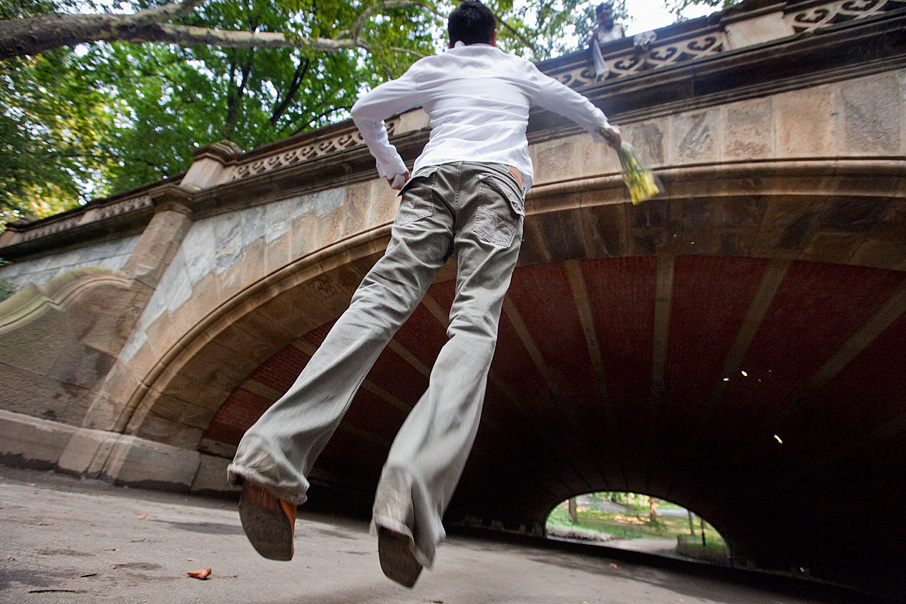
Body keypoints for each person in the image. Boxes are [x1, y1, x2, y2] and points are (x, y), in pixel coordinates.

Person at [227, 0, 622, 588]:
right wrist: (608, 131)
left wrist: (392, 167)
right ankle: (408, 499)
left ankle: (271, 458)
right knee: (473, 324)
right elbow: (574, 102)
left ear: (452, 37)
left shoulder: (434, 67)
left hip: (430, 181)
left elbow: (365, 110)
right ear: (492, 34)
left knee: (376, 302)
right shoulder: (516, 66)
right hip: (496, 185)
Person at [588, 2, 625, 80]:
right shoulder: (597, 33)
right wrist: (594, 39)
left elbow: (625, 42)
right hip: (605, 62)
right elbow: (589, 45)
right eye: (601, 11)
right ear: (598, 17)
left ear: (610, 12)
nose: (604, 11)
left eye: (606, 9)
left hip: (621, 60)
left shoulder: (618, 28)